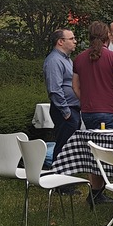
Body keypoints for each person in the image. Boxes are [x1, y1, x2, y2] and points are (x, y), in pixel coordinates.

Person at [72, 20, 113, 130]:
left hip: (87, 111)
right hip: (108, 110)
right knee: (108, 145)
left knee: (92, 144)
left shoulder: (79, 58)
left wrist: (85, 100)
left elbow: (75, 86)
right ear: (108, 35)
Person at [43, 27, 81, 159]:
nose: (75, 41)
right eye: (71, 39)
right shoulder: (54, 60)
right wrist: (66, 112)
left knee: (69, 147)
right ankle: (57, 174)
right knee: (63, 147)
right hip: (65, 110)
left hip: (73, 108)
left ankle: (65, 174)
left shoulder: (67, 59)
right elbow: (54, 89)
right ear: (60, 41)